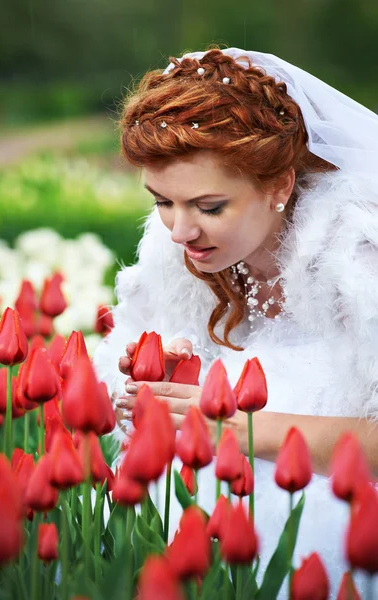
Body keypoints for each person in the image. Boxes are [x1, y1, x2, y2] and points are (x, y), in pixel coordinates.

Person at [93, 47, 378, 597]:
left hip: (332, 512)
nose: (179, 230)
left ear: (279, 186)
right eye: (162, 202)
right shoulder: (177, 253)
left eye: (209, 206)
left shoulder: (358, 260)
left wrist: (231, 425)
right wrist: (165, 378)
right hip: (204, 501)